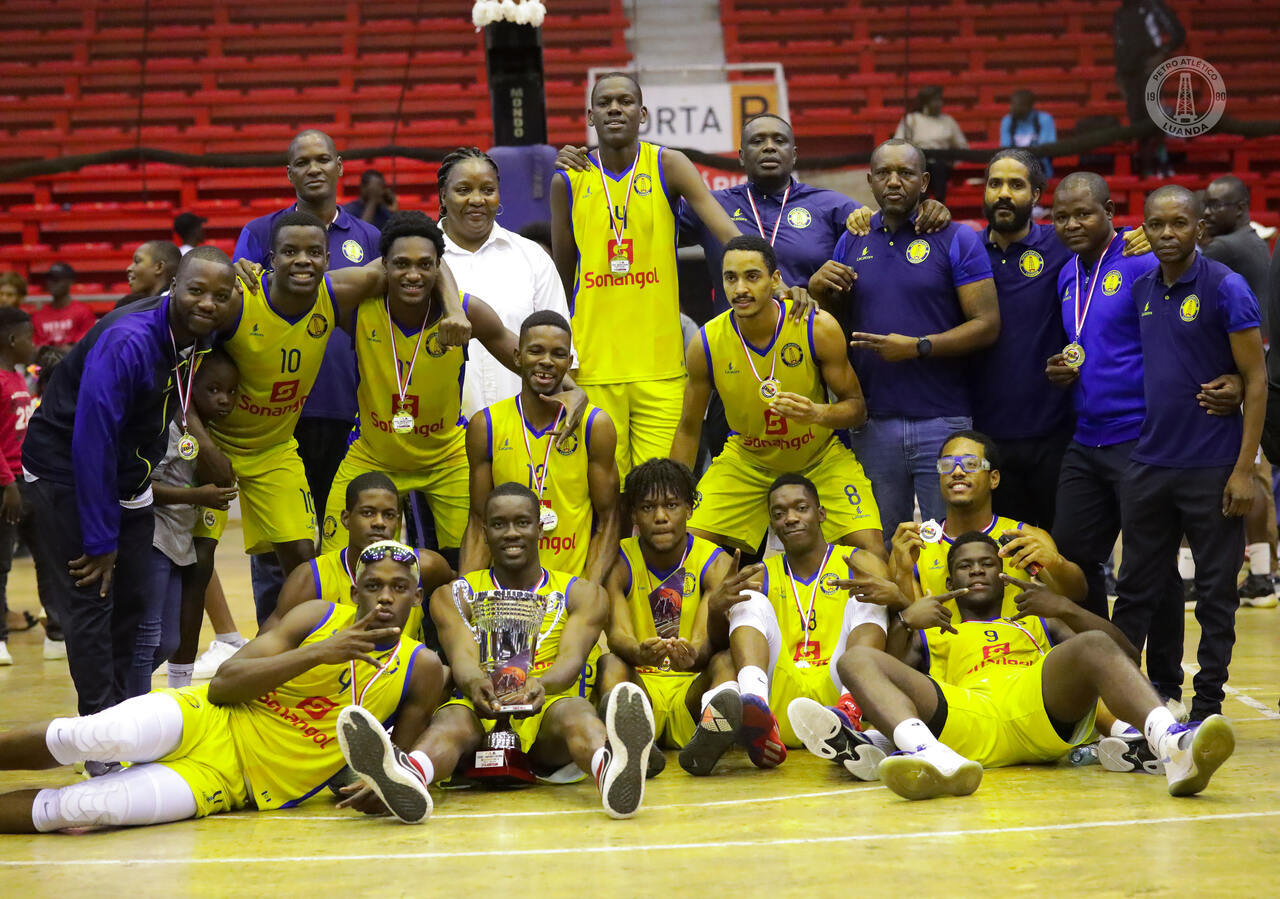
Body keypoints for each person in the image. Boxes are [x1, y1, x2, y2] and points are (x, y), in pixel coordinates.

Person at [0, 540, 446, 832]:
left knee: (88, 808)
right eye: (373, 586)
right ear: (355, 594)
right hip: (209, 718)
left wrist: (381, 787)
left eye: (399, 587)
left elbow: (395, 762)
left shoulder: (422, 668)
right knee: (92, 735)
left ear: (416, 597)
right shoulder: (316, 617)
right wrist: (317, 653)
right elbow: (223, 685)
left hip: (233, 780)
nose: (385, 597)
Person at [335, 483, 656, 822]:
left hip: (547, 711)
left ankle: (613, 773)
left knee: (577, 712)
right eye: (499, 524)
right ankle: (408, 778)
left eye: (522, 522)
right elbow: (462, 659)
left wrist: (541, 684)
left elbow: (571, 661)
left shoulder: (582, 593)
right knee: (451, 721)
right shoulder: (455, 594)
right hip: (480, 712)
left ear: (540, 527)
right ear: (485, 532)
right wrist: (476, 685)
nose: (511, 533)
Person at [837, 533, 1236, 800]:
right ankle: (929, 755)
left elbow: (1126, 657)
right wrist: (906, 618)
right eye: (965, 565)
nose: (977, 570)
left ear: (1003, 573)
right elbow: (881, 679)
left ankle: (1171, 746)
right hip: (965, 718)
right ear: (949, 576)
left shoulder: (1039, 620)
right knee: (854, 659)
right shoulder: (935, 631)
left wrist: (1066, 608)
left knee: (1094, 642)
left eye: (987, 563)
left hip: (1036, 708)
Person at [19, 247, 237, 716]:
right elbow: (91, 442)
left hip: (127, 472)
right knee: (93, 602)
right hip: (65, 472)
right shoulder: (129, 342)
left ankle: (126, 717)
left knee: (149, 623)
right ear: (174, 286)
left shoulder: (199, 330)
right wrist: (100, 539)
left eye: (221, 295)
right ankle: (99, 736)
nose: (208, 303)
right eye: (197, 290)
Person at [319, 212, 580, 570]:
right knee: (339, 561)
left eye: (425, 265)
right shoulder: (359, 307)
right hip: (373, 454)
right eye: (401, 264)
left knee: (475, 560)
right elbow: (307, 288)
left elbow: (526, 359)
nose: (413, 275)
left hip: (447, 457)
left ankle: (448, 624)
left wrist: (573, 391)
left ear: (439, 267)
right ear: (384, 267)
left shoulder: (466, 311)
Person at [1115, 185, 1265, 723]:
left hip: (1213, 468)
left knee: (1216, 596)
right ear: (1145, 229)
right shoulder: (1143, 288)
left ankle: (1206, 710)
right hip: (1150, 465)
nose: (1167, 234)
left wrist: (1245, 470)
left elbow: (1255, 377)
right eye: (1157, 225)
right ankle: (1132, 711)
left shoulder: (1227, 287)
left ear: (1200, 227)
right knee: (1135, 589)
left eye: (1179, 224)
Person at [549, 72, 745, 477]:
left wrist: (768, 273)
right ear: (590, 116)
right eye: (605, 103)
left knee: (664, 491)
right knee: (606, 498)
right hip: (593, 371)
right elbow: (560, 280)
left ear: (643, 114)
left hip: (662, 368)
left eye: (624, 101)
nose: (615, 109)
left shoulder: (668, 164)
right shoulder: (567, 179)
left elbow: (726, 232)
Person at [810, 139, 999, 540]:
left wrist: (919, 346)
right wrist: (819, 291)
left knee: (950, 542)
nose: (894, 182)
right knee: (882, 544)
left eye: (906, 173)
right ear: (870, 180)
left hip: (942, 422)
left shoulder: (956, 238)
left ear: (925, 181)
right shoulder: (852, 239)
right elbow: (839, 326)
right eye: (884, 173)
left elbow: (987, 324)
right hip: (873, 424)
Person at [232, 129, 383, 623]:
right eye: (303, 162)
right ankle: (271, 643)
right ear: (289, 173)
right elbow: (240, 304)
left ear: (340, 166)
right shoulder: (259, 232)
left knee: (339, 532)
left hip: (345, 407)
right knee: (279, 542)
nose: (314, 168)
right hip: (273, 415)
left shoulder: (368, 237)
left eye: (323, 159)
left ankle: (335, 634)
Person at [674, 235, 882, 559]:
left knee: (871, 551)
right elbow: (688, 428)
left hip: (819, 458)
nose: (740, 288)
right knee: (681, 547)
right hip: (746, 462)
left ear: (774, 280)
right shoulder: (706, 343)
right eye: (731, 277)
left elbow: (857, 409)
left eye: (752, 276)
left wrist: (818, 414)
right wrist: (676, 495)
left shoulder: (816, 327)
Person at [679, 474, 895, 777]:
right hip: (781, 697)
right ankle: (755, 707)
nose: (790, 518)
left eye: (801, 508)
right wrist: (716, 609)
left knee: (867, 592)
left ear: (821, 514)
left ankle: (850, 711)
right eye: (779, 514)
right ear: (772, 524)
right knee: (747, 597)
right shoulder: (760, 573)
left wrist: (898, 597)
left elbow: (898, 631)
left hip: (840, 689)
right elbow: (720, 646)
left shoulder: (859, 561)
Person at [598, 458, 735, 766]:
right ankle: (633, 748)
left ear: (689, 509)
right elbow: (618, 634)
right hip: (642, 686)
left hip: (691, 688)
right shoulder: (618, 560)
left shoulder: (715, 562)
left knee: (726, 661)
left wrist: (693, 654)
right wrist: (636, 651)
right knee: (610, 663)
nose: (660, 517)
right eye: (647, 508)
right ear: (633, 514)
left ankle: (708, 741)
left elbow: (702, 641)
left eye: (671, 505)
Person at [463, 310, 618, 581]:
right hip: (506, 595)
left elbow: (609, 520)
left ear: (569, 362)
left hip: (570, 591)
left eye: (558, 354)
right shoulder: (485, 425)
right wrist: (465, 596)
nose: (546, 361)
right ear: (517, 357)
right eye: (535, 351)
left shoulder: (595, 426)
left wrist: (588, 593)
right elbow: (478, 522)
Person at [889, 429, 1087, 620]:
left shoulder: (1026, 536)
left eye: (970, 463)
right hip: (946, 651)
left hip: (1020, 650)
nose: (957, 471)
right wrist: (903, 572)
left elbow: (1076, 595)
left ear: (994, 478)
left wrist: (1055, 563)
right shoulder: (914, 543)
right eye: (947, 464)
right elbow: (907, 622)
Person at [436, 148, 574, 418]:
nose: (477, 199)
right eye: (464, 190)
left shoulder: (533, 258)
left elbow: (561, 352)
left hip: (522, 428)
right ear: (443, 195)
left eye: (487, 190)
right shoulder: (421, 261)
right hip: (441, 433)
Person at [133, 350, 240, 696]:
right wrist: (197, 497)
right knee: (147, 635)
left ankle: (150, 693)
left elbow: (222, 477)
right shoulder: (170, 428)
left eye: (231, 392)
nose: (224, 399)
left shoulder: (208, 433)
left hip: (179, 543)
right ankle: (123, 700)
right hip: (154, 540)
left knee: (167, 640)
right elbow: (143, 484)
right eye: (213, 390)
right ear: (191, 391)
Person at [264, 471, 453, 652]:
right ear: (346, 518)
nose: (379, 522)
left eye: (388, 515)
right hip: (338, 680)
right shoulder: (311, 578)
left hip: (403, 678)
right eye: (368, 513)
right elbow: (263, 650)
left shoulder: (426, 566)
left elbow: (459, 597)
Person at [0, 308, 38, 666]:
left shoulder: (17, 378)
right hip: (6, 486)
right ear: (13, 341)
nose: (34, 344)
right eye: (29, 338)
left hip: (27, 481)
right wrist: (8, 483)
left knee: (48, 555)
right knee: (1, 564)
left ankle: (57, 630)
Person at [1113, 0, 1185, 177]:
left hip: (1149, 72)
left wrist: (1161, 53)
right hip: (1130, 76)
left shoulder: (1154, 6)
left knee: (1153, 120)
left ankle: (1161, 164)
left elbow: (1178, 33)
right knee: (1138, 125)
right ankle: (1147, 173)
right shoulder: (1120, 14)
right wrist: (1120, 77)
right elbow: (1119, 47)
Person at [894, 87, 968, 202]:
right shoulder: (911, 120)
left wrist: (954, 162)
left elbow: (962, 147)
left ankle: (939, 202)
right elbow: (898, 144)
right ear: (925, 102)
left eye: (940, 100)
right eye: (935, 100)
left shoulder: (948, 121)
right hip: (918, 164)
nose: (939, 104)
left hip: (942, 165)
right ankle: (920, 201)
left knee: (938, 167)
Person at [30, 263, 94, 349]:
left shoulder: (83, 312)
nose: (51, 283)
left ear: (70, 282)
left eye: (57, 279)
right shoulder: (38, 316)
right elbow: (35, 348)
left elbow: (83, 346)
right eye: (49, 279)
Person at [999, 90, 1057, 179]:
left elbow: (1044, 150)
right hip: (1013, 171)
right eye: (1012, 105)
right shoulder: (1007, 121)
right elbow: (1005, 149)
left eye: (1019, 106)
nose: (1013, 108)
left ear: (1030, 106)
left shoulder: (1045, 119)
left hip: (1040, 172)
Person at [120, 241, 182, 307]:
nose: (128, 268)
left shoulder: (172, 307)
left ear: (159, 267)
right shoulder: (129, 304)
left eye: (137, 261)